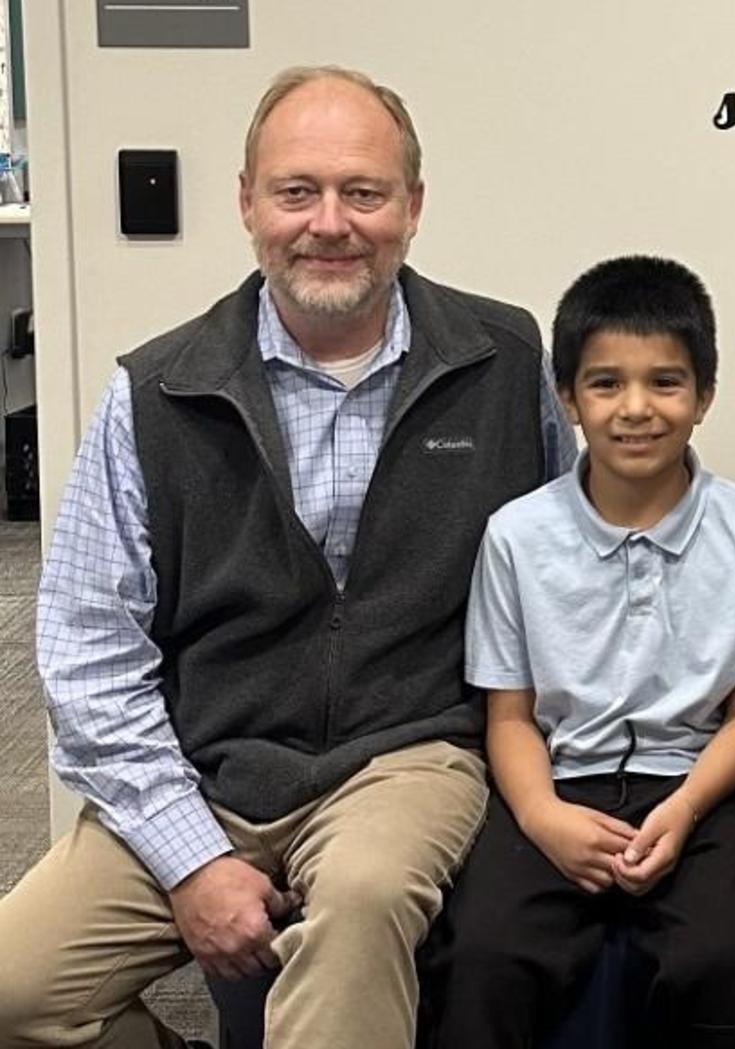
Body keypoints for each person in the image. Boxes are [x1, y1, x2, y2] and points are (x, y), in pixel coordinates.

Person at [0, 66, 573, 1049]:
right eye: (296, 191)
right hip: (206, 762)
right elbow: (89, 648)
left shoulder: (505, 359)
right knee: (18, 990)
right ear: (247, 203)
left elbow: (566, 571)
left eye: (364, 191)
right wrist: (188, 856)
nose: (330, 222)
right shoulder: (157, 388)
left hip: (409, 753)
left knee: (358, 898)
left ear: (413, 206)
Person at [423, 256, 735, 1049]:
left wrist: (685, 808)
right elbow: (511, 717)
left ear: (703, 395)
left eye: (666, 382)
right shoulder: (517, 535)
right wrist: (543, 817)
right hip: (560, 785)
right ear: (567, 396)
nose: (637, 409)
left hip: (705, 789)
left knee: (720, 960)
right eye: (605, 383)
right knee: (484, 956)